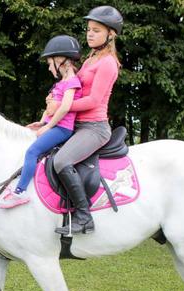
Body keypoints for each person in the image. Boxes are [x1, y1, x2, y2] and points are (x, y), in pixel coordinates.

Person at [33, 5, 122, 234]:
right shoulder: (90, 60)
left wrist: (62, 106)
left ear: (110, 34)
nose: (90, 34)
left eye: (96, 30)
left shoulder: (108, 63)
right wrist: (50, 111)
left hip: (94, 128)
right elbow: (74, 89)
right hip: (75, 124)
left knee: (62, 161)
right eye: (89, 29)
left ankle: (84, 217)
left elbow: (93, 100)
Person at [0, 35, 83, 209]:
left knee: (32, 152)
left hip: (62, 128)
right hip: (54, 126)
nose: (49, 67)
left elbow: (65, 108)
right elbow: (51, 108)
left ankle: (20, 192)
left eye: (50, 63)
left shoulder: (72, 83)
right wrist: (42, 122)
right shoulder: (61, 83)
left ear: (61, 61)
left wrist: (49, 127)